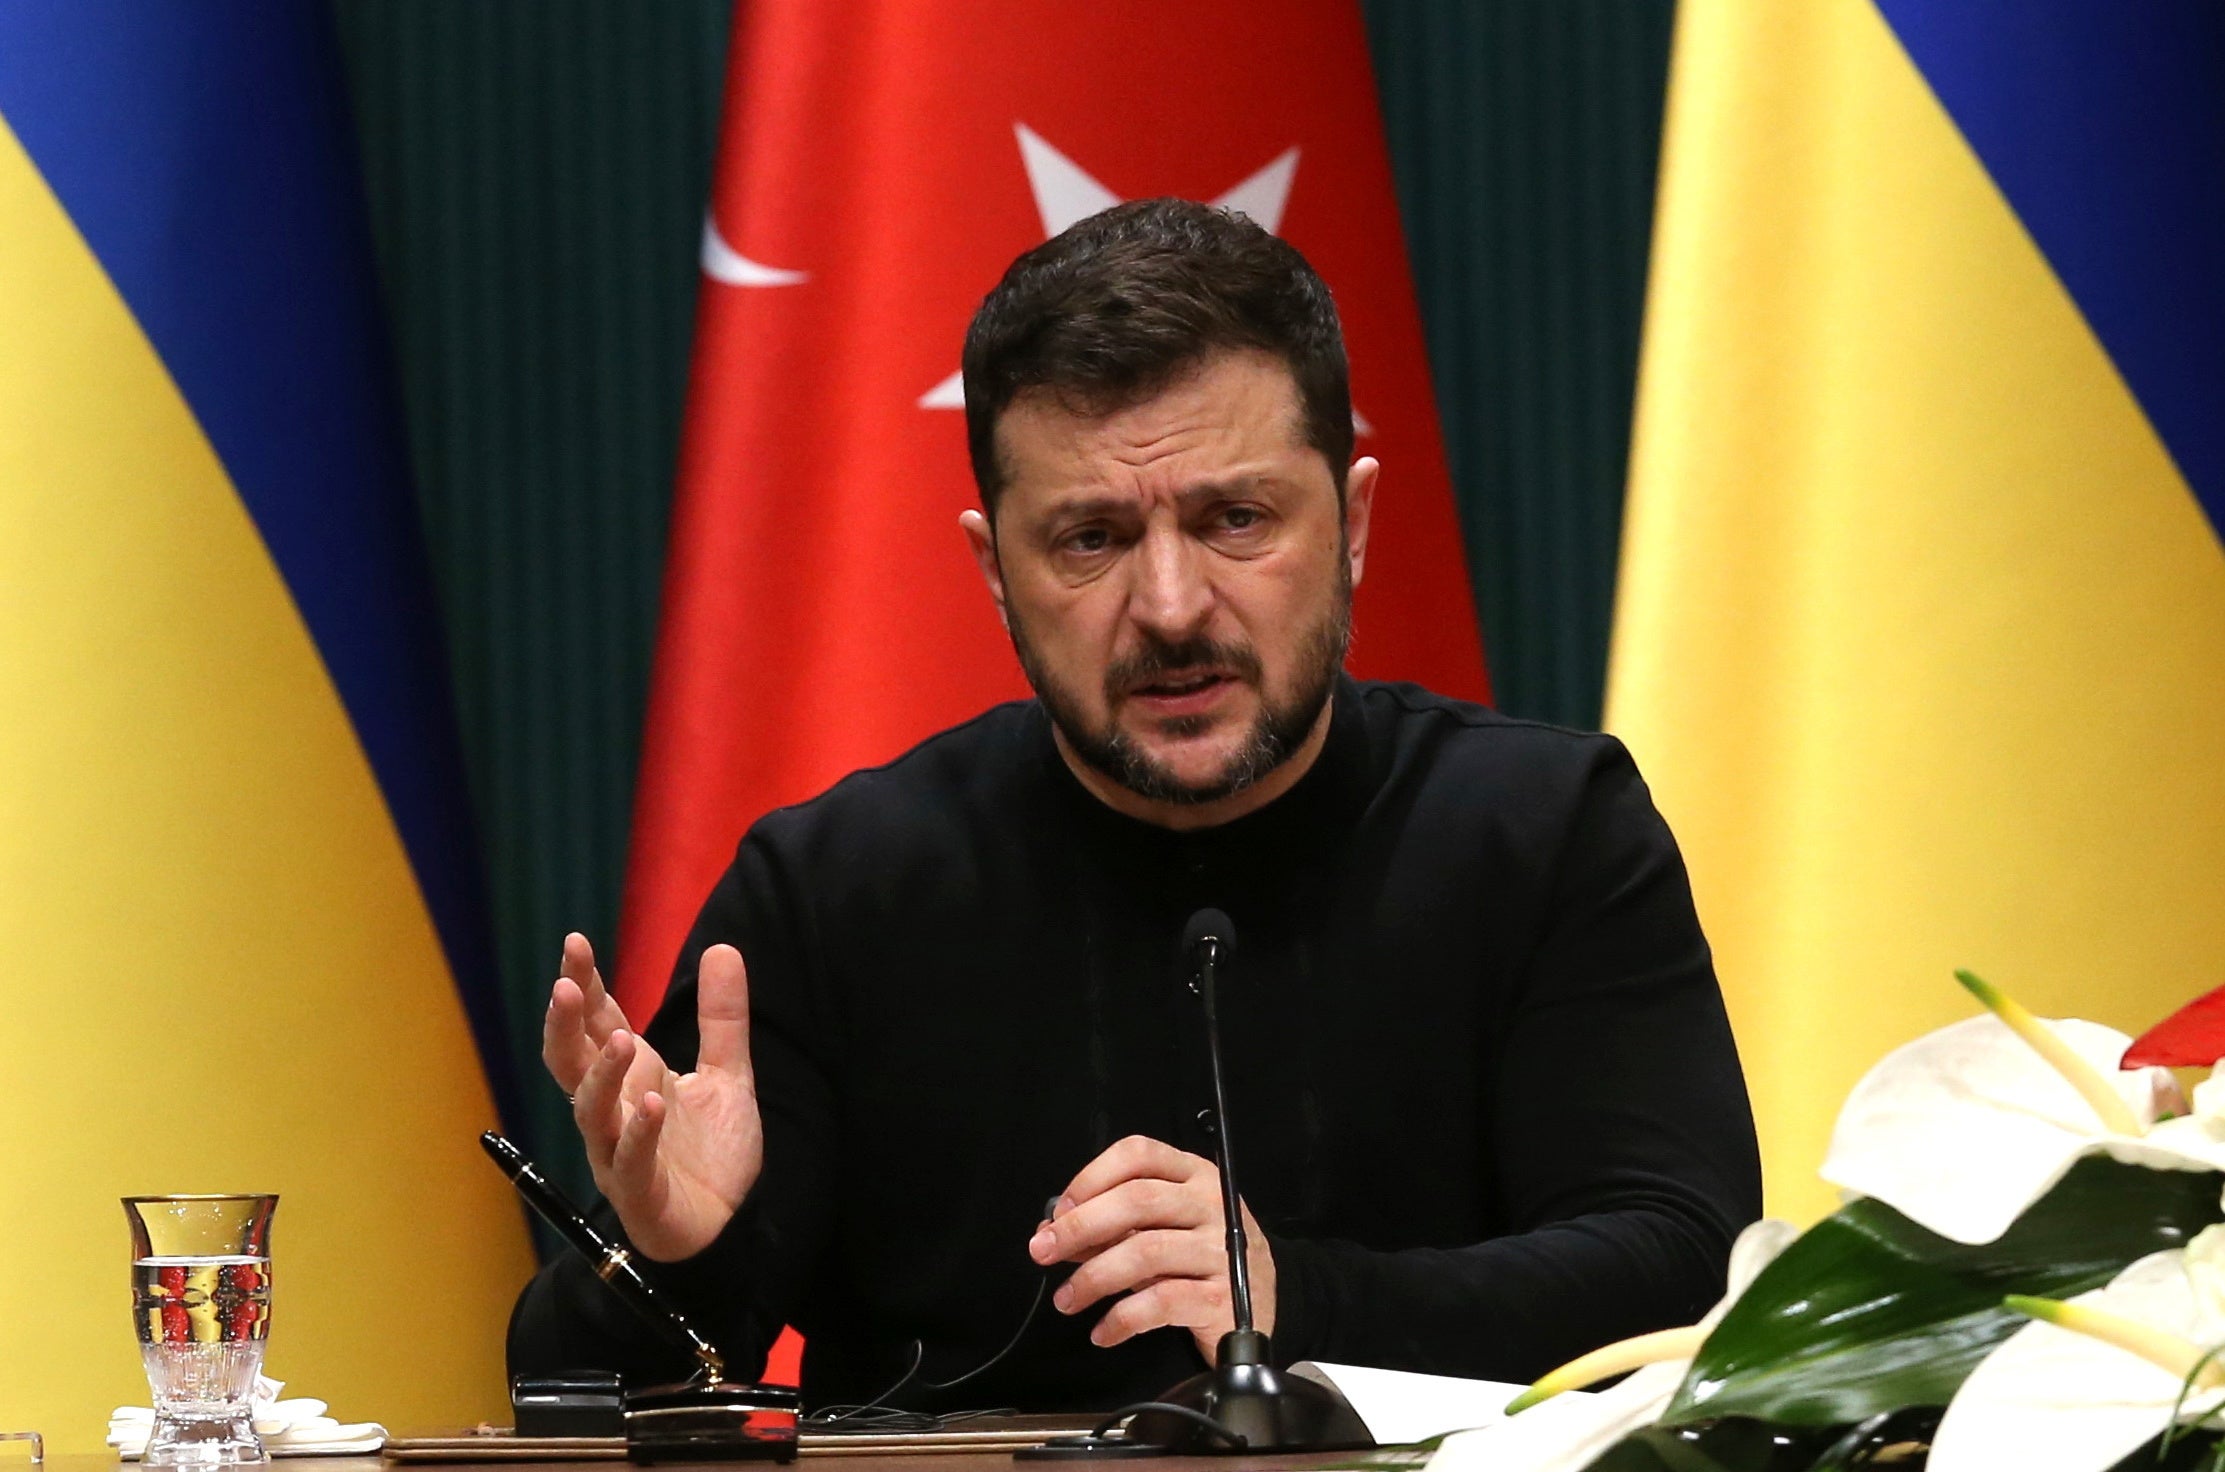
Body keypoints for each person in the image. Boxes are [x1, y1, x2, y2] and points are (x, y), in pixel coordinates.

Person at [510, 198, 1761, 1413]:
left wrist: (1297, 1299)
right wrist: (670, 1257)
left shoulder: (1541, 830)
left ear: (1355, 523)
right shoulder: (838, 887)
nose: (1170, 606)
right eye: (1092, 538)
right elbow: (558, 1388)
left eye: (1235, 519)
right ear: (994, 570)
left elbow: (1686, 1269)